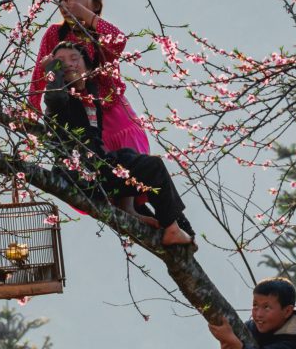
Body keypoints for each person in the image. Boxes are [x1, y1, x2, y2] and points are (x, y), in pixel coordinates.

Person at [40, 42, 196, 249]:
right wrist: (52, 72)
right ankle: (173, 229)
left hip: (98, 166)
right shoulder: (60, 100)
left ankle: (135, 213)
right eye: (60, 62)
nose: (68, 64)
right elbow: (54, 97)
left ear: (86, 65)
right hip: (81, 174)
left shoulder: (91, 95)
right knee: (153, 167)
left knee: (128, 156)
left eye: (74, 58)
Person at [28, 0, 153, 154]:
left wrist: (86, 15)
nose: (71, 3)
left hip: (110, 110)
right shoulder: (55, 34)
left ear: (95, 5)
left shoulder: (99, 35)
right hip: (75, 112)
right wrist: (31, 111)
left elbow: (118, 40)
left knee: (131, 164)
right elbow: (39, 75)